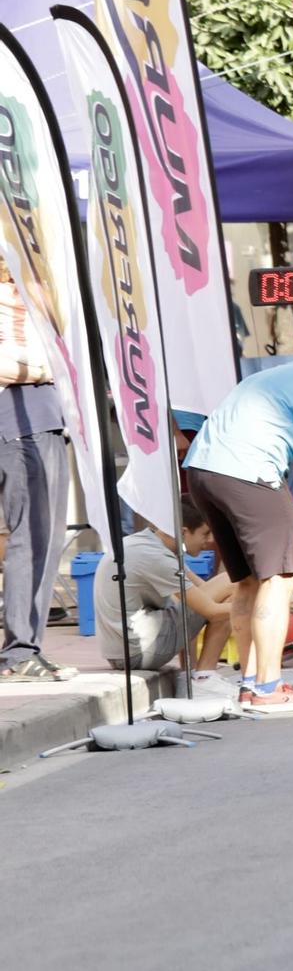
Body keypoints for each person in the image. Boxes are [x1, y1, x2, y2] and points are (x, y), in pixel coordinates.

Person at [182, 327, 293, 713]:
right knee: (279, 578)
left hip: (202, 471)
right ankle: (268, 686)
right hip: (247, 472)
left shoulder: (270, 375)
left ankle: (249, 684)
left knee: (246, 582)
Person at [0, 262, 75, 683]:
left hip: (38, 419)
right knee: (32, 540)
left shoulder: (28, 296)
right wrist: (46, 366)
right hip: (19, 423)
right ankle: (20, 652)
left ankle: (24, 649)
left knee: (38, 539)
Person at [97, 505, 236, 679]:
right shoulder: (157, 558)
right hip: (137, 654)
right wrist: (259, 609)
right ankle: (205, 676)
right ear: (184, 532)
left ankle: (190, 673)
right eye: (205, 533)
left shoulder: (149, 543)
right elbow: (211, 611)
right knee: (232, 582)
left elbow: (201, 592)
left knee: (195, 598)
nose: (211, 540)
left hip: (122, 650)